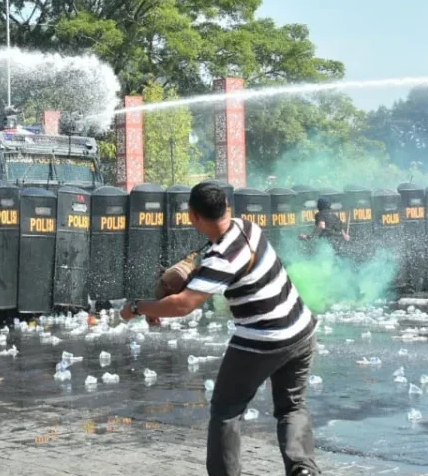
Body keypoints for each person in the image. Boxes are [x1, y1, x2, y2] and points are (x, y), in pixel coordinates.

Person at [120, 182, 318, 476]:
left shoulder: (221, 257)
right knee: (292, 408)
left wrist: (138, 307)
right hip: (301, 330)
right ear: (227, 207)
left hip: (261, 340)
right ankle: (303, 470)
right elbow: (211, 271)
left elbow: (183, 305)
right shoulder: (247, 227)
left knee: (226, 412)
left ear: (192, 215)